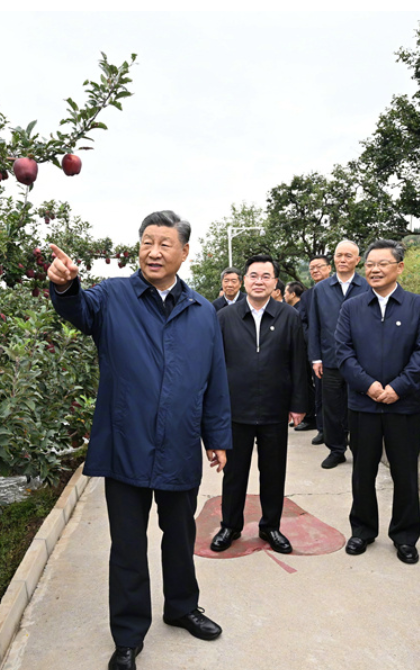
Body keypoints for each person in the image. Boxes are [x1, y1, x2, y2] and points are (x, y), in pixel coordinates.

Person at [47, 210, 232, 670]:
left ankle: (182, 607)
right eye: (147, 241)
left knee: (180, 533)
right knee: (127, 545)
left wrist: (218, 436)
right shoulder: (113, 296)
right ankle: (128, 636)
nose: (153, 251)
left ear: (184, 253)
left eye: (165, 243)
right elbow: (77, 310)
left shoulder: (204, 312)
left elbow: (215, 380)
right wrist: (65, 285)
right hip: (125, 444)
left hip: (179, 443)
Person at [335, 239, 420, 565]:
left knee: (405, 473)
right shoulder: (351, 307)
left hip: (403, 406)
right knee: (362, 472)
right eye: (370, 265)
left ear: (399, 267)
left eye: (382, 264)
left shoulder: (419, 306)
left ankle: (405, 537)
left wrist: (397, 387)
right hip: (363, 405)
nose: (375, 270)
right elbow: (343, 353)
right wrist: (369, 386)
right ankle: (362, 530)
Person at [211, 254, 309, 554]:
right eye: (253, 275)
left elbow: (298, 362)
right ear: (244, 280)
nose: (259, 281)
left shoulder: (288, 316)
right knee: (234, 473)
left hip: (273, 409)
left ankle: (270, 526)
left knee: (273, 471)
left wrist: (298, 404)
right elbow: (213, 366)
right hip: (235, 410)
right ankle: (230, 525)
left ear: (275, 282)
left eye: (266, 276)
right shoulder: (224, 318)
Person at [307, 241, 369, 468]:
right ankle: (336, 449)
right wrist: (316, 358)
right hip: (330, 359)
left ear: (357, 260)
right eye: (339, 255)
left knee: (358, 407)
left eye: (348, 256)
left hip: (360, 361)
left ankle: (359, 449)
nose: (343, 259)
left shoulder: (367, 286)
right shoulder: (321, 289)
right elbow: (314, 325)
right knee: (332, 407)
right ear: (333, 259)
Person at [297, 256, 332, 441]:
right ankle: (322, 430)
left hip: (342, 350)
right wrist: (311, 341)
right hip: (318, 351)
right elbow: (302, 321)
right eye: (311, 268)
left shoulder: (339, 290)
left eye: (319, 266)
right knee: (320, 391)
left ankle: (344, 430)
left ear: (329, 268)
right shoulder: (308, 295)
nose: (315, 270)